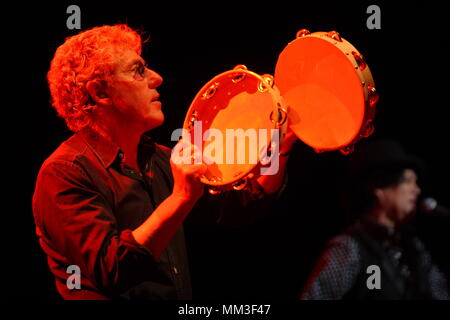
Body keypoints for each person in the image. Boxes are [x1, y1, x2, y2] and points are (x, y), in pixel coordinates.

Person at [32, 24, 296, 299]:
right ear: (100, 93)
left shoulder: (159, 159)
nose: (157, 78)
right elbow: (112, 270)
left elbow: (242, 206)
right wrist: (181, 197)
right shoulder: (64, 172)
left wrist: (282, 144)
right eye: (138, 70)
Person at [299, 139, 449, 300]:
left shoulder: (415, 250)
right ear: (380, 188)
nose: (416, 190)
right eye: (408, 181)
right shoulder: (350, 249)